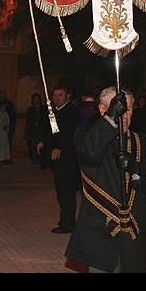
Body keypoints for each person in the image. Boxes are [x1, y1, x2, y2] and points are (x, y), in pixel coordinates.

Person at [65, 87, 146, 272]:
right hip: (100, 231)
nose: (124, 115)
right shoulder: (86, 134)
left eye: (128, 109)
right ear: (103, 110)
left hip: (132, 234)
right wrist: (111, 118)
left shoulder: (140, 141)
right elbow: (89, 155)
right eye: (118, 109)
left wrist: (135, 168)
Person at [37, 85, 81, 233]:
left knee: (66, 190)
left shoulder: (71, 111)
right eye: (54, 95)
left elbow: (71, 134)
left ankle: (68, 223)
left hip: (66, 156)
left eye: (60, 95)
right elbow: (53, 131)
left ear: (68, 95)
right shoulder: (55, 111)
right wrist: (45, 142)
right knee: (61, 190)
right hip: (57, 156)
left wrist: (60, 147)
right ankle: (64, 220)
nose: (57, 98)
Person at [24, 93, 50, 166]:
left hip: (42, 130)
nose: (36, 101)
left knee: (43, 145)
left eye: (37, 100)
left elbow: (46, 119)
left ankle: (43, 160)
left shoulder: (44, 109)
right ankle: (34, 159)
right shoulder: (30, 109)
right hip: (33, 131)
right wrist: (34, 122)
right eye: (35, 100)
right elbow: (28, 119)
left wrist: (40, 123)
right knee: (33, 145)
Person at [0, 90, 16, 162]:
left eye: (3, 95)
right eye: (1, 95)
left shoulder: (9, 104)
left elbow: (12, 116)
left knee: (8, 144)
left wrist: (11, 127)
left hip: (8, 128)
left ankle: (7, 158)